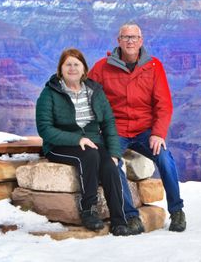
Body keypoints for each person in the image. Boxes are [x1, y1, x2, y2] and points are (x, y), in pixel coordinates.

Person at [36, 48, 144, 236]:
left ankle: (119, 221)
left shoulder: (94, 91)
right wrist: (77, 138)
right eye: (67, 64)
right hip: (60, 145)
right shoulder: (49, 93)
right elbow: (45, 129)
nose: (72, 68)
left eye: (76, 64)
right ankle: (89, 210)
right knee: (89, 156)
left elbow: (109, 122)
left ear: (84, 69)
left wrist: (114, 153)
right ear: (60, 69)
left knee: (110, 167)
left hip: (92, 142)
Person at [89, 22, 186, 232]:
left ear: (141, 41)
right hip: (116, 130)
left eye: (134, 37)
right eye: (126, 37)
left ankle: (177, 211)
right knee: (113, 164)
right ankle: (131, 217)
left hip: (145, 130)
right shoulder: (102, 67)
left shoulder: (154, 66)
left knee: (165, 158)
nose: (130, 41)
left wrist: (158, 134)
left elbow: (164, 104)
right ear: (119, 41)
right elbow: (87, 97)